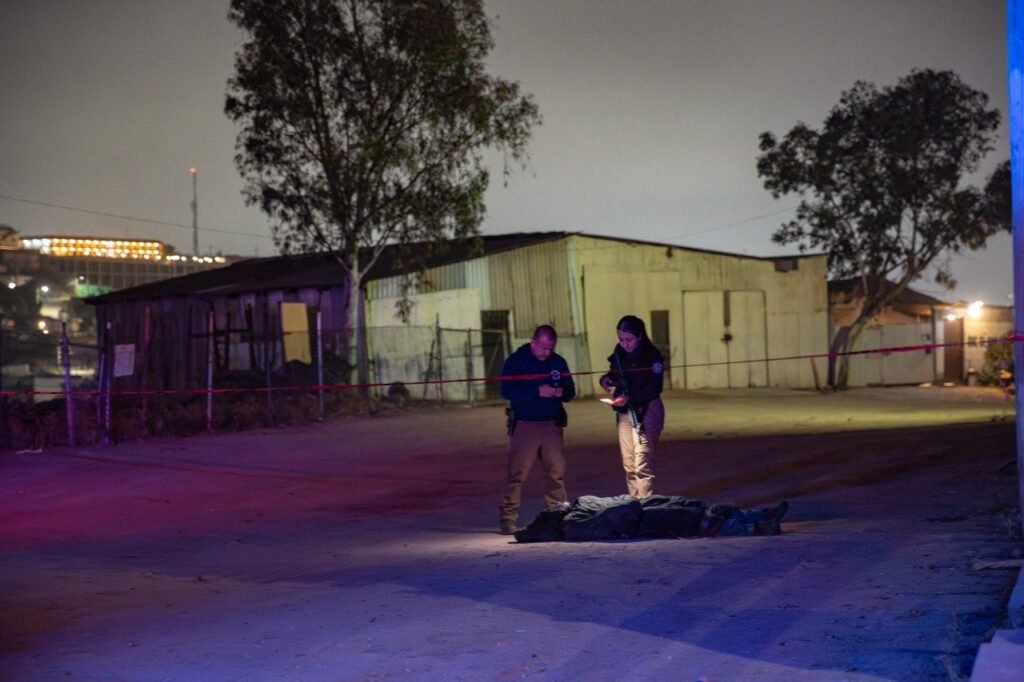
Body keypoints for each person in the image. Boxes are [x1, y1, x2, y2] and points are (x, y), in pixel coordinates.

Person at [498, 325, 576, 535]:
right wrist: (537, 391)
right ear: (533, 341)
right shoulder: (516, 361)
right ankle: (508, 518)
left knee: (556, 472)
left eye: (550, 348)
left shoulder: (558, 362)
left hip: (552, 425)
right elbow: (506, 390)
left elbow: (571, 391)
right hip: (525, 424)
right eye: (542, 347)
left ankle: (558, 514)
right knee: (517, 473)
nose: (546, 352)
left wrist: (561, 392)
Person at [599, 315, 665, 499]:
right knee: (629, 463)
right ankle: (634, 503)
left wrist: (628, 397)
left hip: (647, 410)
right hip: (625, 412)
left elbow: (654, 388)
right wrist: (605, 380)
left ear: (640, 336)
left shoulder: (651, 355)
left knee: (643, 462)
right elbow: (613, 374)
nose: (624, 344)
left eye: (629, 340)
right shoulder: (619, 353)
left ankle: (645, 503)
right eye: (621, 339)